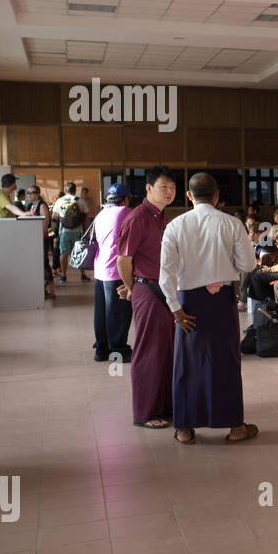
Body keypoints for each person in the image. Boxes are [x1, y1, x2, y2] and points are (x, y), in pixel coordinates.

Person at [159, 173, 259, 445]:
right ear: (216, 196)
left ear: (189, 196)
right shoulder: (232, 223)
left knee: (187, 363)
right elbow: (248, 265)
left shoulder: (175, 225)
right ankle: (235, 427)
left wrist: (175, 308)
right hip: (221, 301)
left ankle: (184, 428)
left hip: (187, 303)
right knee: (226, 362)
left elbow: (165, 272)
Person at [116, 167, 178, 430]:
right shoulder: (138, 217)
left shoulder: (161, 217)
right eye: (163, 187)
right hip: (147, 289)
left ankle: (164, 405)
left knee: (166, 350)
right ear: (149, 188)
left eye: (173, 188)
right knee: (149, 351)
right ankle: (144, 412)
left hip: (161, 289)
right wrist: (134, 287)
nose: (169, 192)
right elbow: (123, 260)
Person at [91, 184, 134, 363]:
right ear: (125, 199)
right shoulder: (125, 212)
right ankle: (118, 350)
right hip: (116, 270)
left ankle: (101, 349)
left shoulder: (101, 214)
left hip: (100, 268)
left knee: (101, 311)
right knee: (118, 312)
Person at [22, 185, 55, 299]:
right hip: (34, 239)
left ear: (38, 193)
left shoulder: (41, 205)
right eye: (28, 193)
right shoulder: (30, 205)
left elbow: (46, 221)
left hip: (42, 238)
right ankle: (41, 288)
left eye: (33, 192)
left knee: (44, 262)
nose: (30, 195)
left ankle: (52, 289)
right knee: (37, 263)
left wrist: (40, 236)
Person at [53, 183, 88, 284]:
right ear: (75, 190)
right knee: (80, 252)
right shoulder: (80, 201)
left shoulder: (60, 201)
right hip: (78, 231)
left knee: (64, 254)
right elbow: (86, 217)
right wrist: (87, 231)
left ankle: (63, 276)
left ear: (65, 189)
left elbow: (54, 217)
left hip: (64, 231)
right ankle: (83, 275)